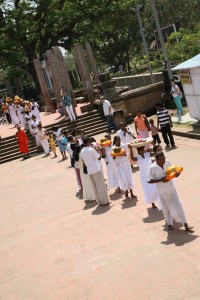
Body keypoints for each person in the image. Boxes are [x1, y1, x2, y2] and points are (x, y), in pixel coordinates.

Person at [148, 151, 193, 232]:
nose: (163, 161)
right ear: (156, 160)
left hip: (171, 188)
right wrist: (161, 180)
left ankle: (185, 224)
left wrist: (176, 174)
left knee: (178, 205)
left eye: (164, 158)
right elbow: (149, 180)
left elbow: (174, 171)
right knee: (166, 208)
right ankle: (169, 224)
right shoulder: (152, 167)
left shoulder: (167, 162)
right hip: (162, 191)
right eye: (161, 159)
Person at [80, 136, 110, 206]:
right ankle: (104, 201)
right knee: (101, 185)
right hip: (95, 169)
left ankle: (99, 201)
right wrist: (100, 151)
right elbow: (99, 158)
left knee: (95, 186)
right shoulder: (91, 150)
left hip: (89, 170)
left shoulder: (82, 151)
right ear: (88, 142)